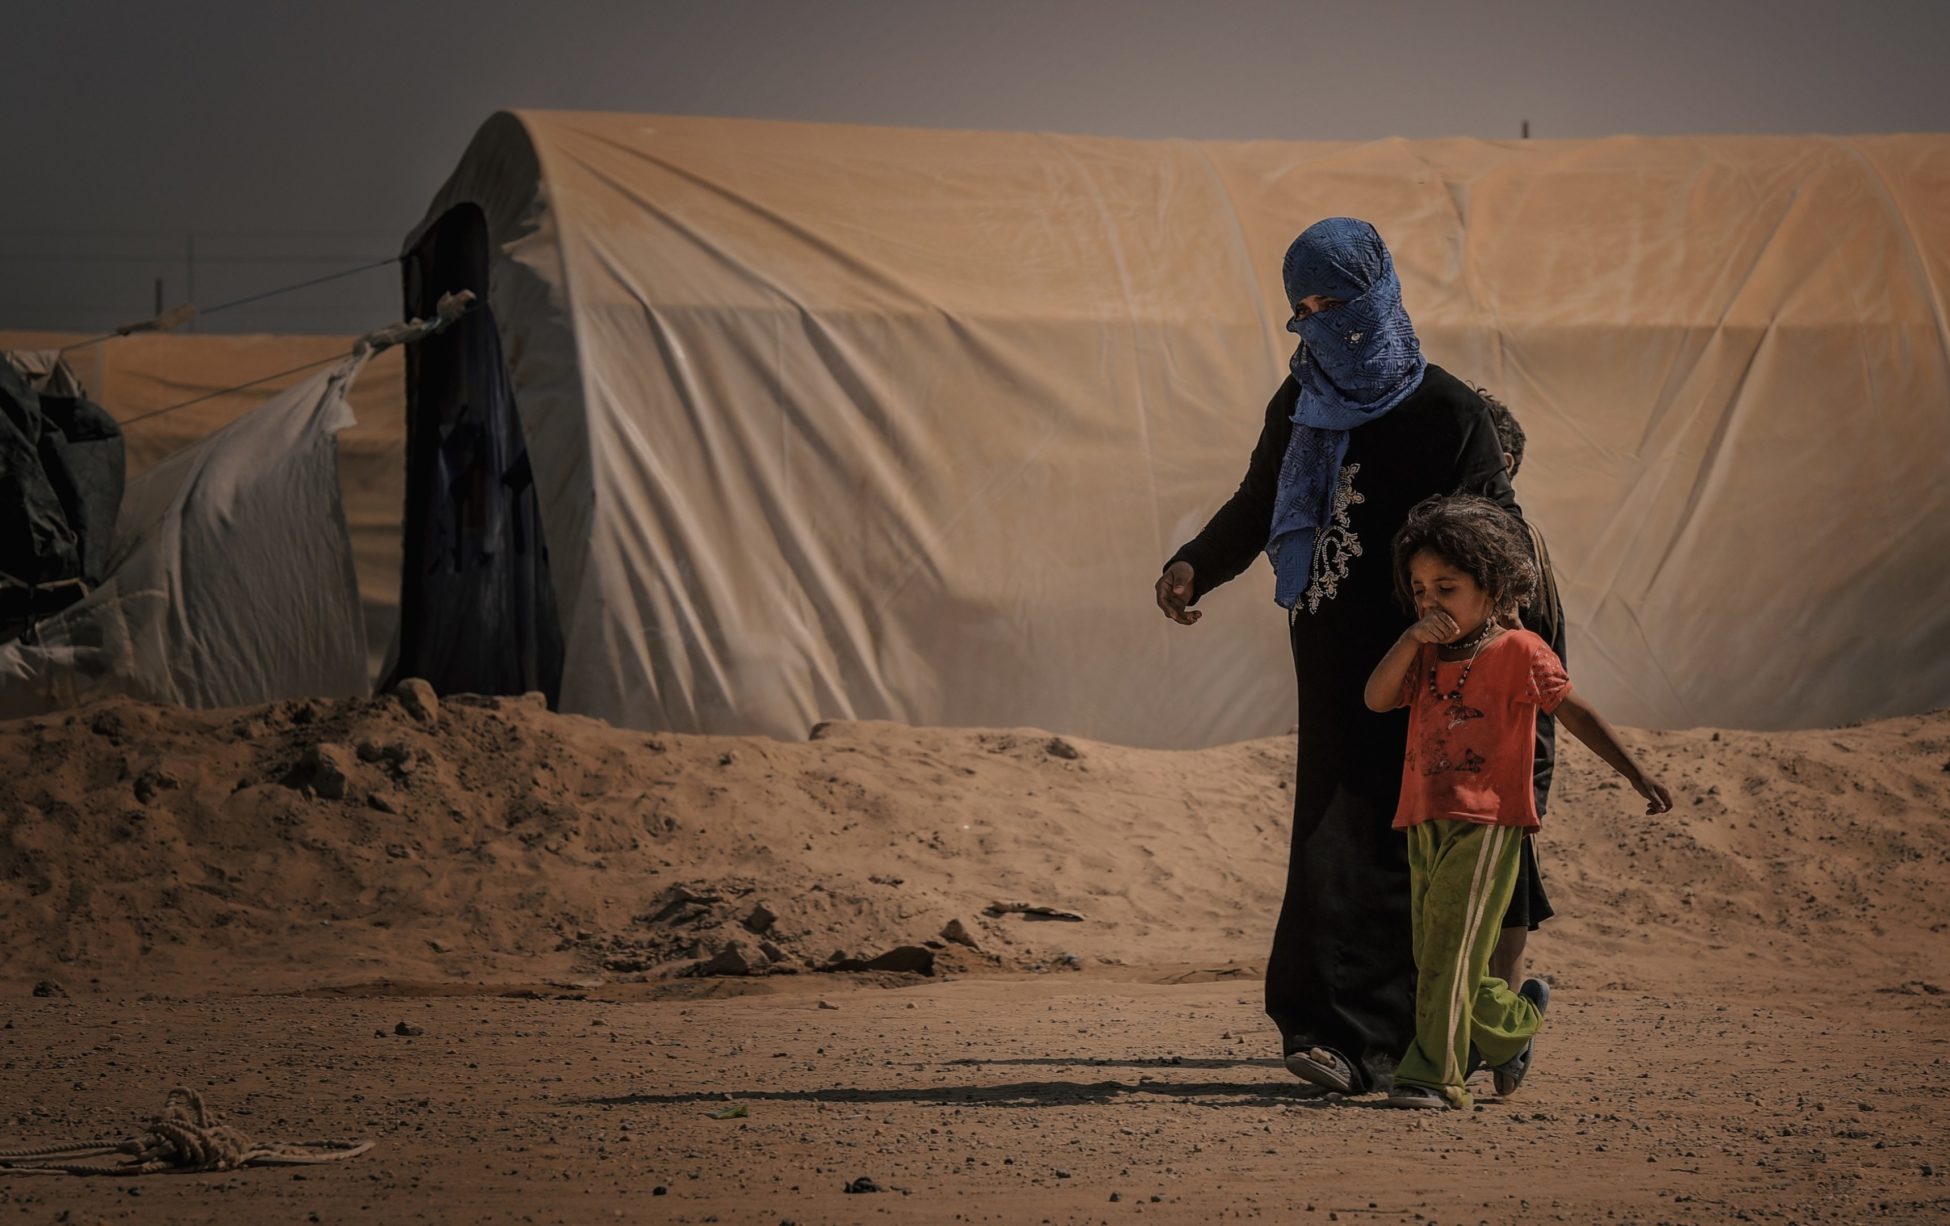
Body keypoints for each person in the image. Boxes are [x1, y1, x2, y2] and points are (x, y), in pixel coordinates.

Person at [1155, 217, 1527, 1095]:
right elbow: (1258, 501)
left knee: (1417, 841)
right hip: (1329, 655)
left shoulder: (1448, 411)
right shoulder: (1300, 402)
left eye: (1338, 301)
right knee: (1330, 835)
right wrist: (1194, 564)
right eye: (1306, 307)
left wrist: (1452, 620)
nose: (1323, 322)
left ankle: (1428, 1034)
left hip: (1431, 670)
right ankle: (1328, 1032)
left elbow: (1499, 536)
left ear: (1381, 293)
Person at [1362, 494, 1671, 1109]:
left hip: (1486, 822)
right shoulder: (1423, 654)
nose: (1430, 602)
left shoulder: (1520, 650)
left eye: (1446, 588)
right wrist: (1408, 636)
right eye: (1420, 590)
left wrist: (1636, 773)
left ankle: (1433, 1077)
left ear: (1493, 585)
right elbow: (1376, 698)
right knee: (1435, 954)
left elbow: (1575, 712)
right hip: (1424, 816)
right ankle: (1511, 1031)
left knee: (1449, 950)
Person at [1474, 388, 1565, 1002]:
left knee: (1507, 891)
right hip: (1452, 743)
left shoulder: (1513, 541)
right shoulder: (1449, 531)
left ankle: (1504, 1026)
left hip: (1510, 742)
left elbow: (1542, 661)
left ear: (1502, 460)